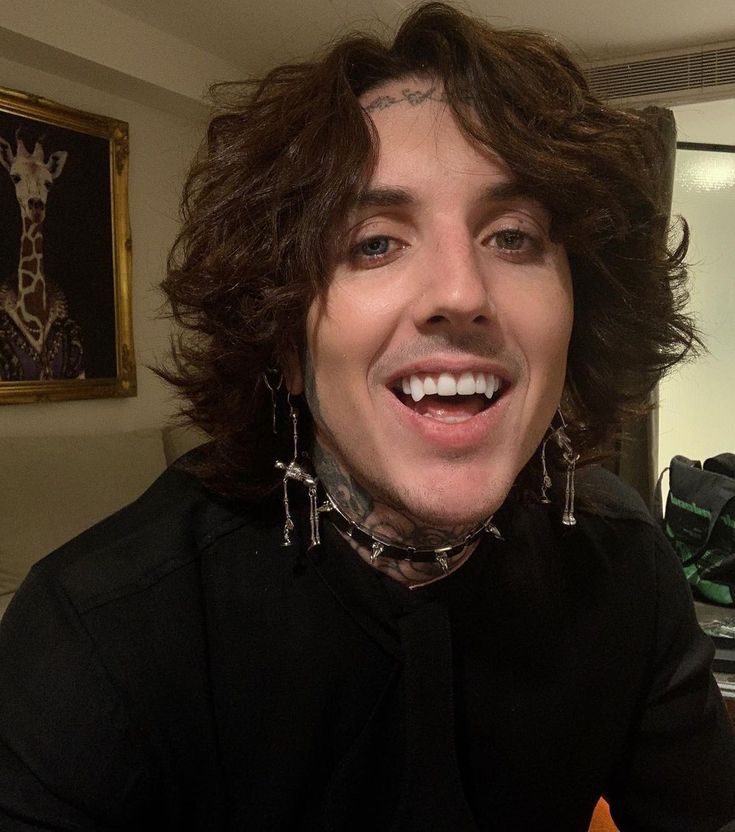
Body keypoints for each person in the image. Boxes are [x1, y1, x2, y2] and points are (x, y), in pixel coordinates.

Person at [1, 3, 734, 829]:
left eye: (514, 236)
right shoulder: (99, 634)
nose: (460, 292)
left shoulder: (624, 561)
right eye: (374, 242)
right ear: (281, 335)